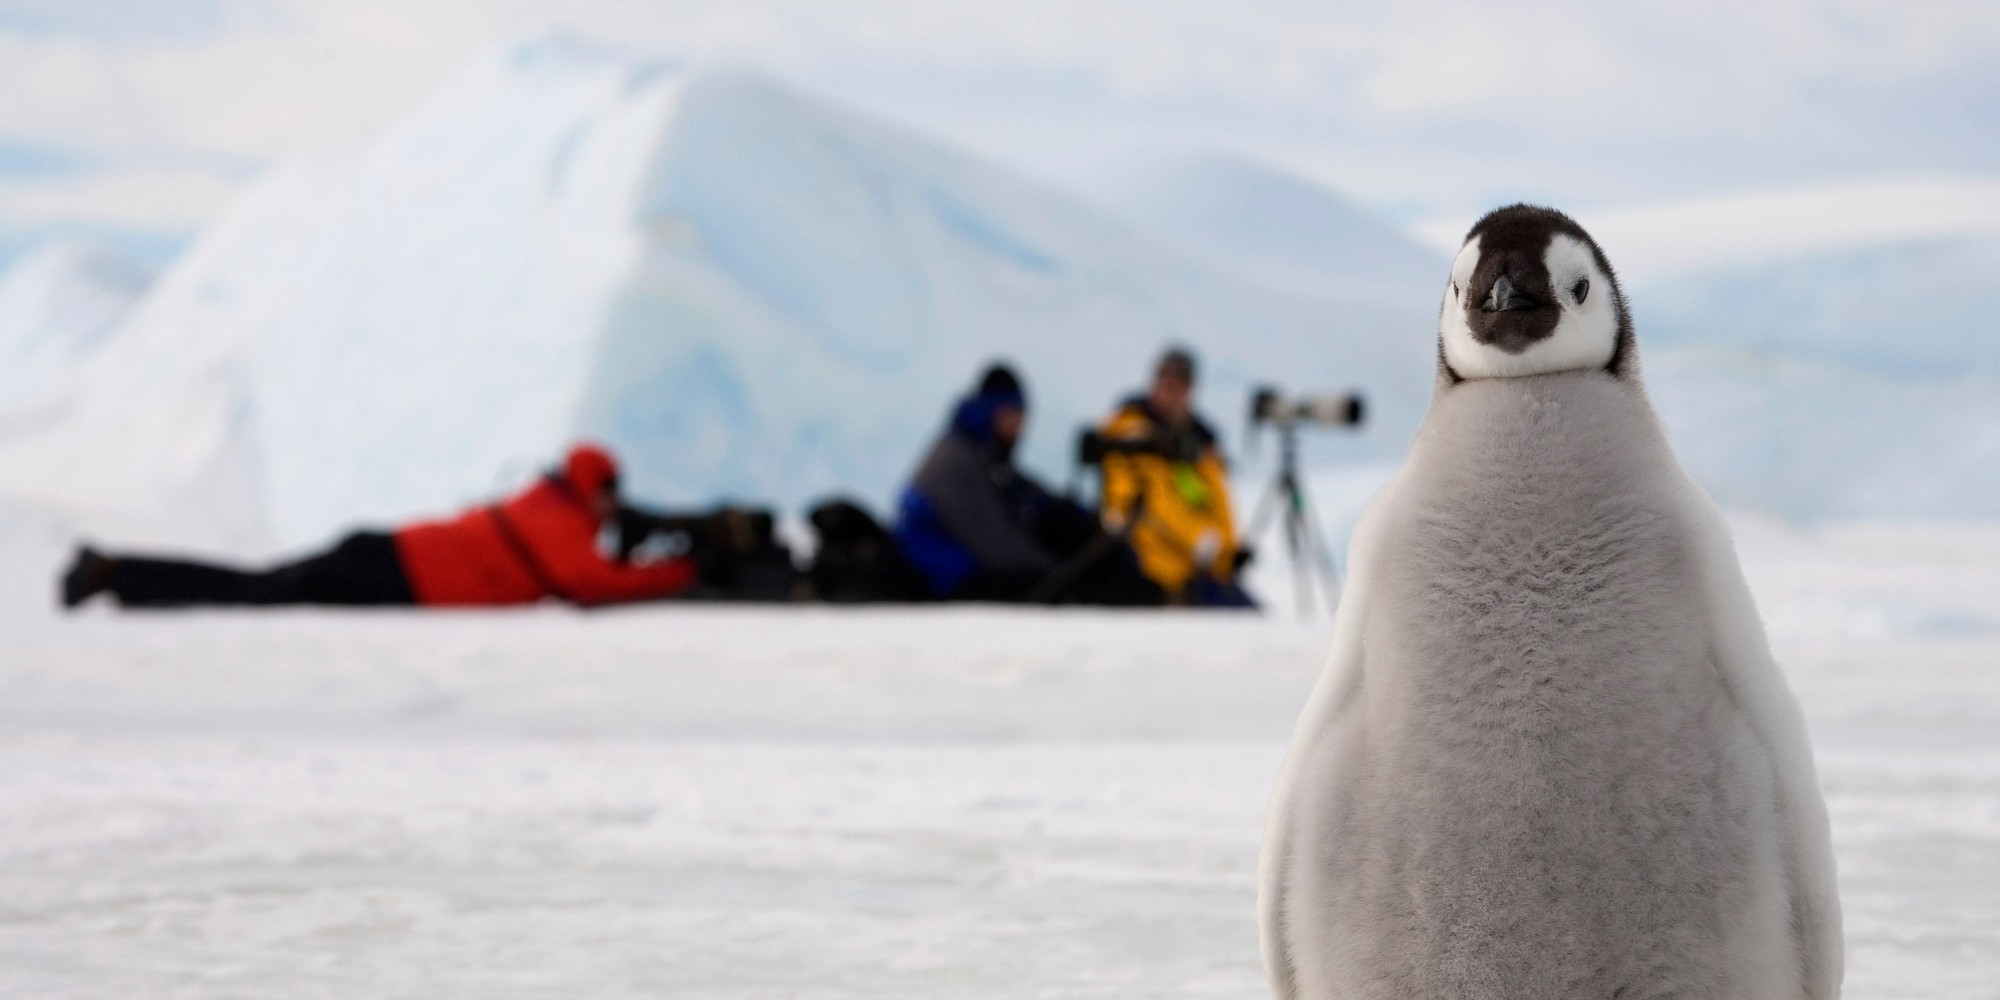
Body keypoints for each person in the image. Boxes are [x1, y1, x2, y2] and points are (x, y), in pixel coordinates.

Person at [60, 443, 697, 609]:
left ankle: (120, 575)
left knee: (260, 586)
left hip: (391, 557)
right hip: (399, 574)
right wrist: (683, 571)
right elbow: (588, 582)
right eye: (613, 493)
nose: (617, 506)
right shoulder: (559, 518)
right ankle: (117, 573)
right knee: (258, 593)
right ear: (599, 487)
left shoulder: (549, 504)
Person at [894, 363, 1159, 605]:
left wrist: (1086, 526)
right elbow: (994, 544)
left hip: (963, 570)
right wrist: (1061, 575)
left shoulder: (984, 456)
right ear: (991, 411)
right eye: (1012, 416)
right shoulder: (956, 462)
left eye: (1021, 418)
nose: (1019, 428)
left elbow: (1035, 498)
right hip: (941, 579)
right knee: (1050, 587)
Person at [1096, 348, 1254, 607]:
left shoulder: (1197, 446)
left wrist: (1225, 553)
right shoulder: (1134, 437)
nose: (1170, 394)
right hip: (1153, 571)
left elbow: (1217, 506)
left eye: (1178, 386)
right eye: (1165, 383)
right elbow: (1144, 503)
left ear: (1190, 391)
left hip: (1201, 571)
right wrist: (1202, 542)